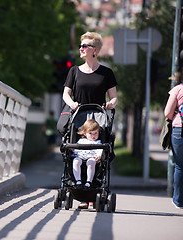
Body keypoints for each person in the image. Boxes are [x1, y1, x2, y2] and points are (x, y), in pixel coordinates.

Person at [62, 32, 118, 209]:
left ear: (95, 50)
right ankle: (79, 189)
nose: (81, 48)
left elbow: (114, 97)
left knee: (97, 154)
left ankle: (92, 192)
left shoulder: (106, 73)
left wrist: (110, 104)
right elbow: (66, 94)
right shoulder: (74, 71)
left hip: (98, 119)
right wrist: (72, 104)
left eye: (85, 46)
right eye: (81, 46)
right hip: (78, 117)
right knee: (76, 152)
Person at [164, 83, 183, 209]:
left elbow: (167, 113)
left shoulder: (178, 89)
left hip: (179, 129)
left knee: (180, 166)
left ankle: (178, 201)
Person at [72, 119, 103, 192]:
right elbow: (77, 149)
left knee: (91, 162)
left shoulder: (98, 142)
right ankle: (78, 181)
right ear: (85, 133)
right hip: (80, 156)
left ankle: (89, 181)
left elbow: (100, 150)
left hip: (91, 157)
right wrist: (73, 149)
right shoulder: (81, 141)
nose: (93, 135)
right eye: (90, 133)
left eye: (95, 133)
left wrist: (98, 156)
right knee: (75, 161)